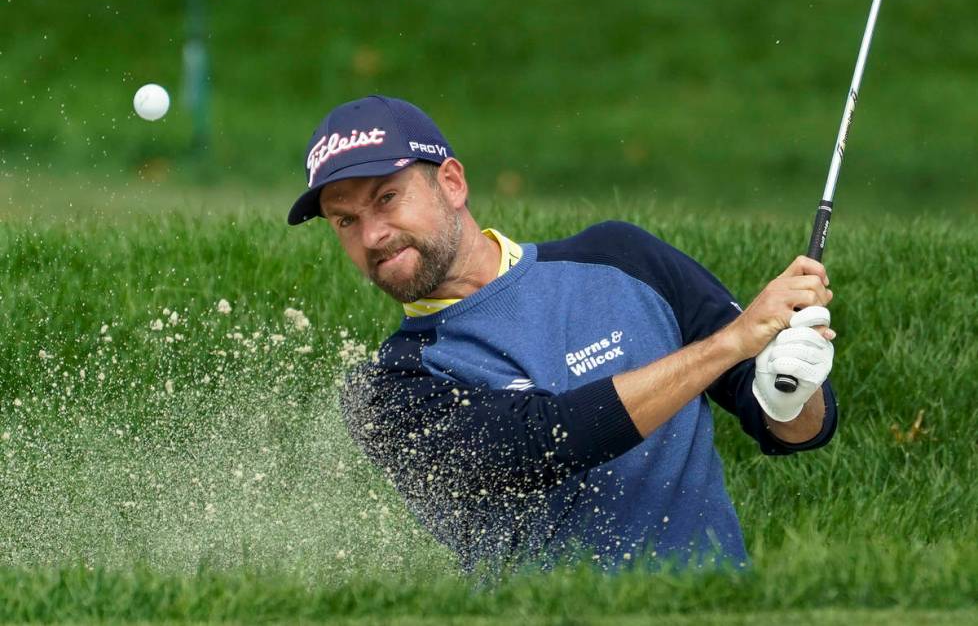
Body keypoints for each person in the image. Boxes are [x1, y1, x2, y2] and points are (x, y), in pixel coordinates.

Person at [288, 95, 838, 574]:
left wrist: (791, 379)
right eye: (346, 221)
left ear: (451, 183)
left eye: (387, 198)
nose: (374, 234)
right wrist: (728, 345)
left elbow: (789, 428)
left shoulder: (622, 257)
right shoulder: (391, 389)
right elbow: (541, 444)